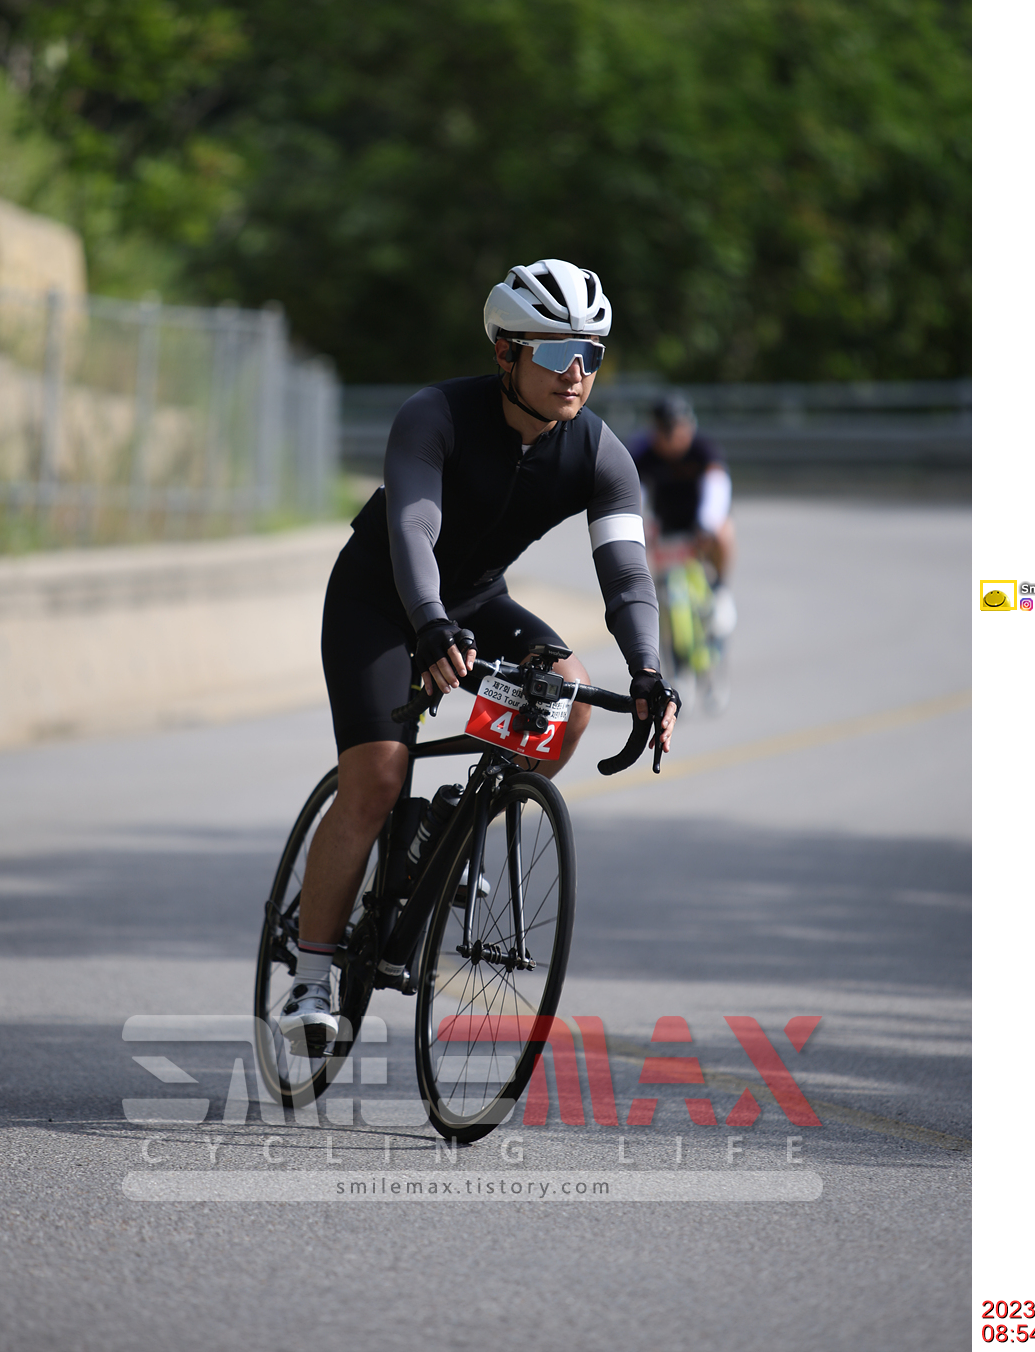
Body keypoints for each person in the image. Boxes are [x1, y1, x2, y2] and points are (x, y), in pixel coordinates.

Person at [281, 259, 681, 1053]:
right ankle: (311, 975)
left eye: (591, 354)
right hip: (382, 600)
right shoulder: (437, 416)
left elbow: (627, 573)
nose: (576, 372)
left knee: (568, 697)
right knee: (378, 779)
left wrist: (646, 671)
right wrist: (428, 623)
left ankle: (450, 835)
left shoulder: (598, 452)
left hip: (474, 603)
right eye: (556, 352)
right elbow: (412, 528)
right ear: (506, 352)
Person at [628, 393, 738, 640]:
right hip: (666, 522)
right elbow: (634, 492)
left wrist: (707, 523)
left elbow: (717, 485)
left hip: (700, 522)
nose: (673, 437)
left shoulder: (703, 449)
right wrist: (636, 525)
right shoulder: (643, 453)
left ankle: (720, 592)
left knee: (724, 532)